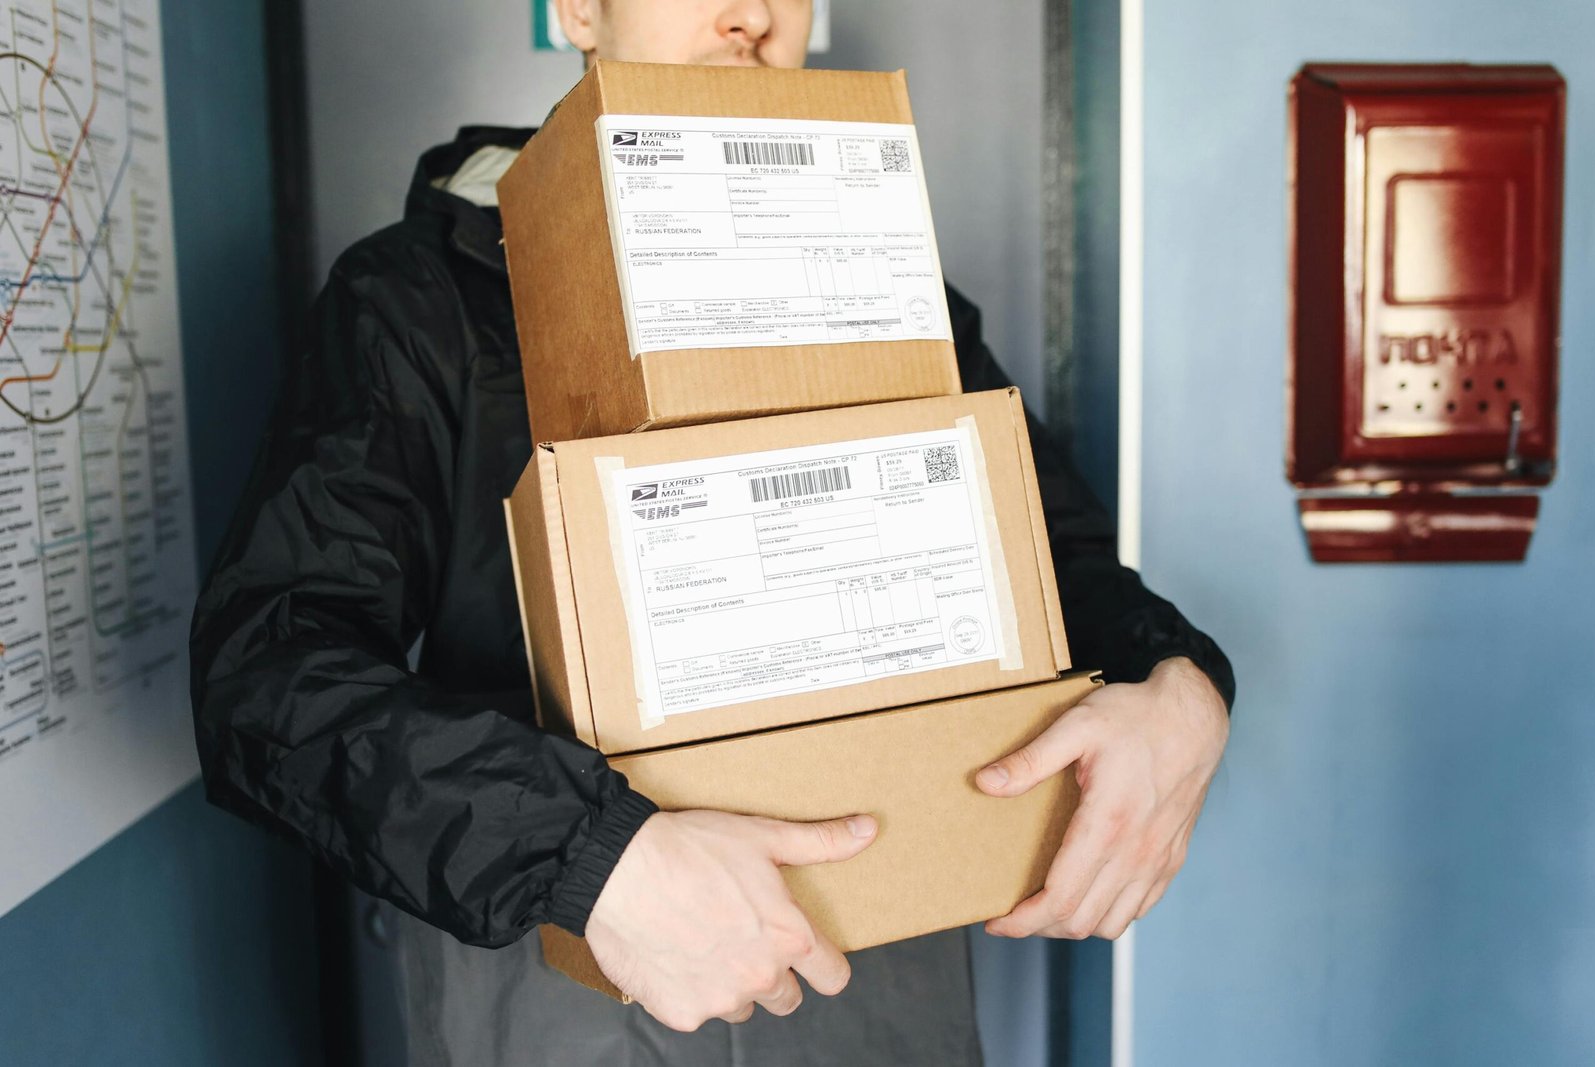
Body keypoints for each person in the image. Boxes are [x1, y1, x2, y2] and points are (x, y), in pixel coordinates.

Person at [189, 0, 1235, 1062]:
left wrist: (1184, 683)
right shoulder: (420, 302)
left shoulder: (898, 288)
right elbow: (266, 678)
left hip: (885, 936)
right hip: (570, 953)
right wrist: (589, 854)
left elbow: (1057, 569)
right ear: (581, 11)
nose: (752, 14)